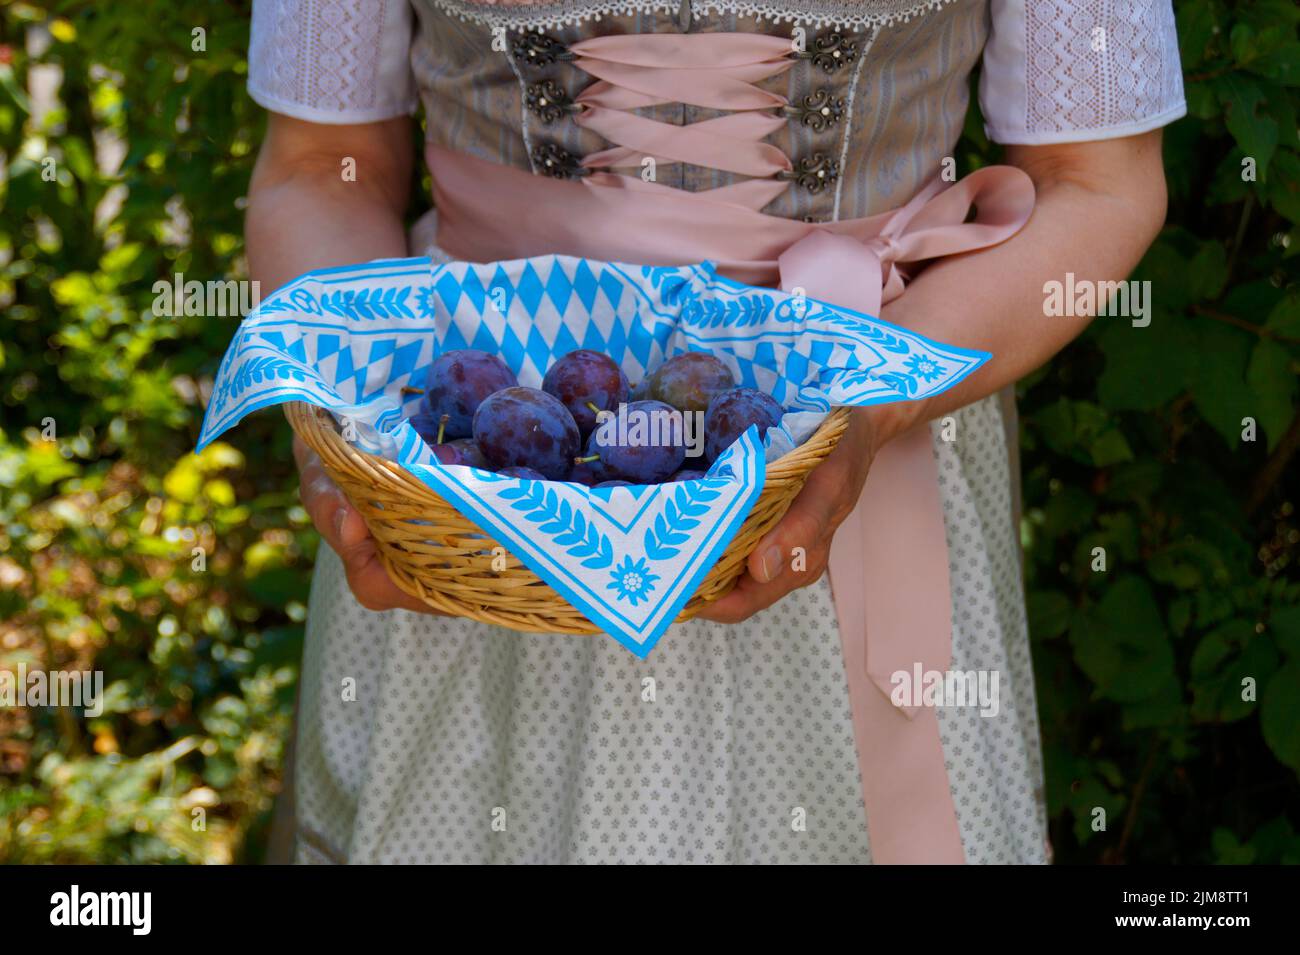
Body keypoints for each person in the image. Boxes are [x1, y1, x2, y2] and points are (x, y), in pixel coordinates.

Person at [245, 0, 1185, 863]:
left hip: (865, 457)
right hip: (470, 486)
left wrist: (866, 403)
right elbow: (320, 168)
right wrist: (336, 414)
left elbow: (1095, 182)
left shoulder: (866, 409)